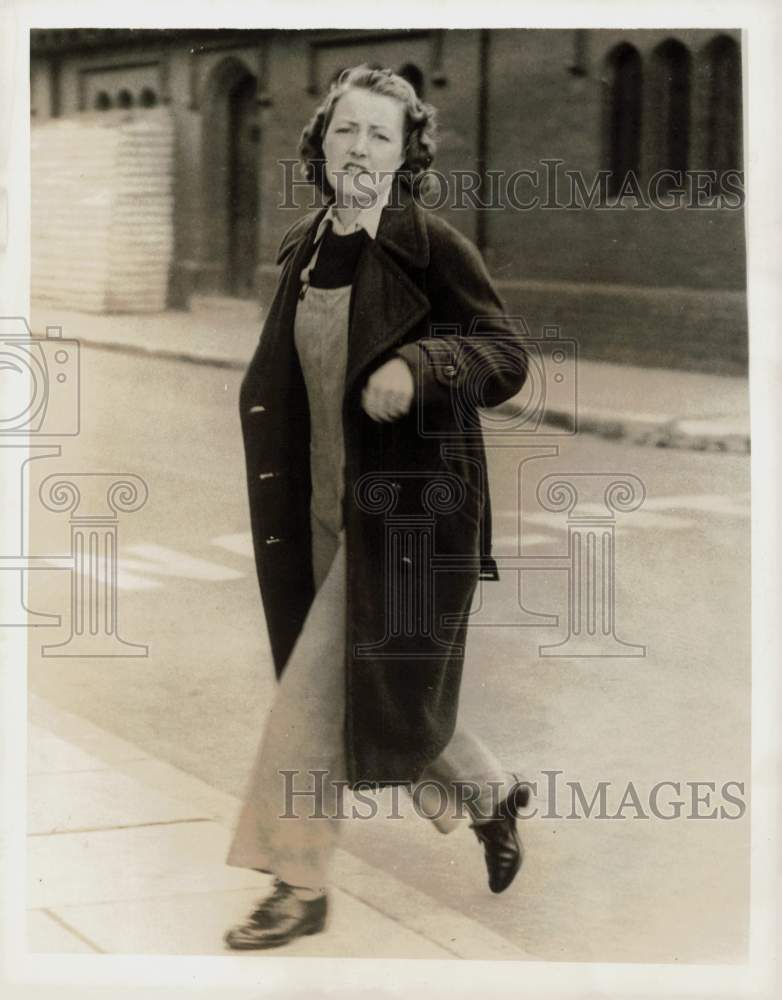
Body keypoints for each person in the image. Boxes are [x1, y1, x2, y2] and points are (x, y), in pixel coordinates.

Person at [223, 64, 530, 951]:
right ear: (321, 141)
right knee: (374, 685)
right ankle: (490, 795)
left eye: (380, 136)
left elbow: (503, 356)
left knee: (309, 702)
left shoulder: (430, 245)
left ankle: (296, 884)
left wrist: (421, 366)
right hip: (315, 504)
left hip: (402, 518)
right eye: (346, 130)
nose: (359, 149)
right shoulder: (305, 247)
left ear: (407, 155)